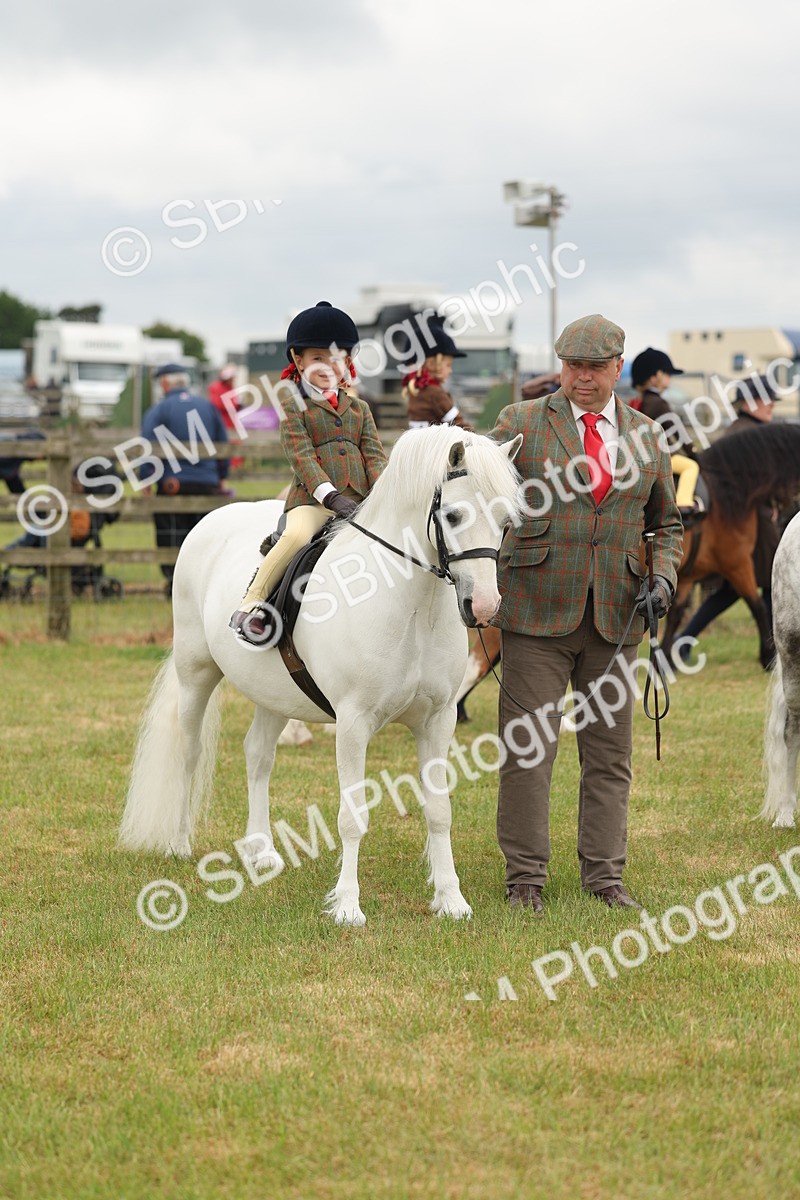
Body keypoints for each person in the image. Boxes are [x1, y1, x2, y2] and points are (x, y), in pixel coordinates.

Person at [491, 314, 683, 912]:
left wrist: (663, 578)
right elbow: (484, 501)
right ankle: (525, 877)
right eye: (573, 366)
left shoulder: (649, 435)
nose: (582, 378)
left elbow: (666, 525)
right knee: (529, 753)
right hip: (535, 616)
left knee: (609, 757)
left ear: (617, 369)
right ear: (560, 366)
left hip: (617, 620)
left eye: (595, 367)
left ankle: (604, 878)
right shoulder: (519, 424)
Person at [229, 301, 387, 644]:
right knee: (297, 537)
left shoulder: (360, 408)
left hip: (363, 499)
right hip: (315, 501)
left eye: (335, 358)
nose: (328, 366)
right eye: (318, 358)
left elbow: (373, 455)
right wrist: (330, 496)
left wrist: (385, 492)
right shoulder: (292, 408)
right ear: (298, 362)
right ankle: (254, 605)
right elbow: (302, 458)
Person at [676, 374, 782, 658]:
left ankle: (683, 642)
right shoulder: (748, 433)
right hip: (749, 520)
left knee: (735, 588)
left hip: (743, 518)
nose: (771, 404)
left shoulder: (741, 428)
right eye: (765, 399)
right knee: (771, 580)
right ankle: (773, 649)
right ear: (748, 403)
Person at [142, 364, 229, 597]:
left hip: (173, 485)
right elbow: (223, 444)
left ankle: (174, 584)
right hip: (207, 484)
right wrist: (221, 477)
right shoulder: (208, 407)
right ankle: (202, 585)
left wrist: (146, 478)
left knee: (172, 536)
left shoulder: (159, 410)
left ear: (165, 383)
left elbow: (147, 447)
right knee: (203, 537)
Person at [630, 347, 700, 519]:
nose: (670, 378)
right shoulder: (659, 403)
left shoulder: (638, 402)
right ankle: (683, 504)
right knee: (691, 467)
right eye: (667, 373)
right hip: (660, 458)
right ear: (655, 377)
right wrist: (695, 455)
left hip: (641, 456)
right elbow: (680, 434)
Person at [402, 314, 473, 430]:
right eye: (448, 365)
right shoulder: (435, 393)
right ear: (431, 364)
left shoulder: (416, 390)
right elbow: (459, 424)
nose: (450, 371)